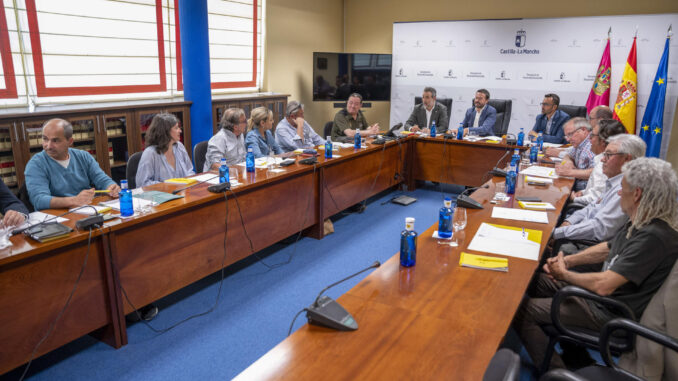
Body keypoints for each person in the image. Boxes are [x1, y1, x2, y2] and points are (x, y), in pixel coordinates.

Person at [514, 157, 678, 370]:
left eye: (623, 189)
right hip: (599, 299)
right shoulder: (645, 218)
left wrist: (565, 274)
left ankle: (556, 372)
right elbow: (609, 248)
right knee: (529, 282)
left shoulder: (654, 237)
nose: (619, 193)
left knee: (521, 312)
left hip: (608, 311)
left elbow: (605, 284)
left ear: (637, 194)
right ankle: (576, 355)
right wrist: (567, 260)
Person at [552, 134, 646, 255]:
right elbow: (591, 207)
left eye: (609, 155)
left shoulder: (625, 190)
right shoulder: (613, 181)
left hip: (589, 247)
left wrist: (559, 233)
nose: (602, 159)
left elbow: (599, 229)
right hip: (580, 234)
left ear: (627, 159)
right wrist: (568, 222)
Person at [24, 118, 120, 211]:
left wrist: (111, 187)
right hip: (55, 218)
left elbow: (102, 180)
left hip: (87, 210)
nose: (48, 146)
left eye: (55, 140)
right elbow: (39, 200)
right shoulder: (36, 164)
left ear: (70, 142)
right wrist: (74, 200)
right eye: (45, 139)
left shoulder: (83, 156)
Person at [569, 119, 626, 206]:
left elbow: (596, 198)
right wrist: (583, 192)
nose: (589, 138)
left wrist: (575, 199)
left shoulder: (604, 165)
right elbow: (599, 190)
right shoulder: (604, 160)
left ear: (603, 142)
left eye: (592, 135)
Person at [135, 113, 195, 187]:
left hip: (183, 193)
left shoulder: (179, 146)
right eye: (176, 128)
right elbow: (142, 184)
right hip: (160, 196)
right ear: (166, 131)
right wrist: (167, 185)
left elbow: (190, 171)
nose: (180, 131)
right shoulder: (150, 153)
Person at [545, 105, 612, 159]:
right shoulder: (593, 132)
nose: (588, 121)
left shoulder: (601, 137)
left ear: (600, 120)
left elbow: (583, 156)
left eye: (591, 118)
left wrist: (559, 153)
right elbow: (577, 149)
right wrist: (560, 150)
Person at [553, 118, 596, 191]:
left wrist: (570, 172)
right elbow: (568, 155)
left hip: (584, 192)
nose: (567, 139)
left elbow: (596, 172)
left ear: (583, 130)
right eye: (566, 136)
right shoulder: (580, 143)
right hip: (574, 185)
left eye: (570, 134)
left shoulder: (592, 144)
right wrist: (568, 161)